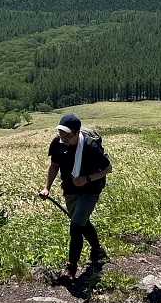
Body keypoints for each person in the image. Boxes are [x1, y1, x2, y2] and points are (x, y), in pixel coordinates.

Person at [39, 112, 112, 280]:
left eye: (67, 135)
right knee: (81, 222)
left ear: (77, 133)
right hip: (70, 189)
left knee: (76, 226)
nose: (63, 138)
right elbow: (54, 166)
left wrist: (87, 179)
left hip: (91, 190)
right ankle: (97, 250)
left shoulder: (90, 146)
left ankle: (71, 267)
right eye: (61, 134)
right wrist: (46, 188)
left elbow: (108, 169)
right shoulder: (58, 143)